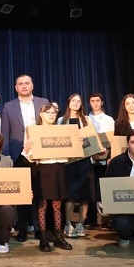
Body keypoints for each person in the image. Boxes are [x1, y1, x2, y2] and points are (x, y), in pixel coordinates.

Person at [0, 74, 49, 241]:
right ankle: (22, 228)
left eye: (27, 83)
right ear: (16, 88)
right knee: (22, 194)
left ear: (32, 85)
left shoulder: (43, 102)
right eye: (20, 84)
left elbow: (50, 127)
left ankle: (39, 227)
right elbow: (5, 133)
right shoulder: (8, 106)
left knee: (40, 192)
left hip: (41, 155)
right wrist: (7, 156)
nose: (24, 86)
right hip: (19, 155)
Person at [23, 103, 74, 252]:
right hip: (43, 168)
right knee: (43, 204)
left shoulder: (62, 130)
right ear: (41, 114)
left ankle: (58, 236)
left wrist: (76, 144)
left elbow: (70, 153)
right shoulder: (34, 130)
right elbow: (29, 156)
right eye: (48, 112)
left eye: (53, 112)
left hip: (60, 167)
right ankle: (44, 237)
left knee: (57, 204)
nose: (51, 115)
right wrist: (26, 149)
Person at [57, 93, 95, 239]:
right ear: (68, 103)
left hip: (85, 160)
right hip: (69, 162)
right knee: (70, 194)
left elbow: (93, 138)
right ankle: (68, 223)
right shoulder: (61, 120)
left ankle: (80, 224)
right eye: (73, 100)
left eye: (79, 101)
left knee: (85, 194)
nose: (76, 103)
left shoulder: (87, 119)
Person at [88, 92, 115, 226]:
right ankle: (91, 218)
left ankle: (106, 218)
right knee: (91, 189)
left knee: (105, 188)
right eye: (92, 101)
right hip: (91, 160)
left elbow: (113, 140)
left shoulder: (109, 120)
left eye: (97, 100)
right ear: (89, 103)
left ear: (102, 102)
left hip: (106, 160)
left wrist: (110, 155)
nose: (95, 103)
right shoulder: (86, 119)